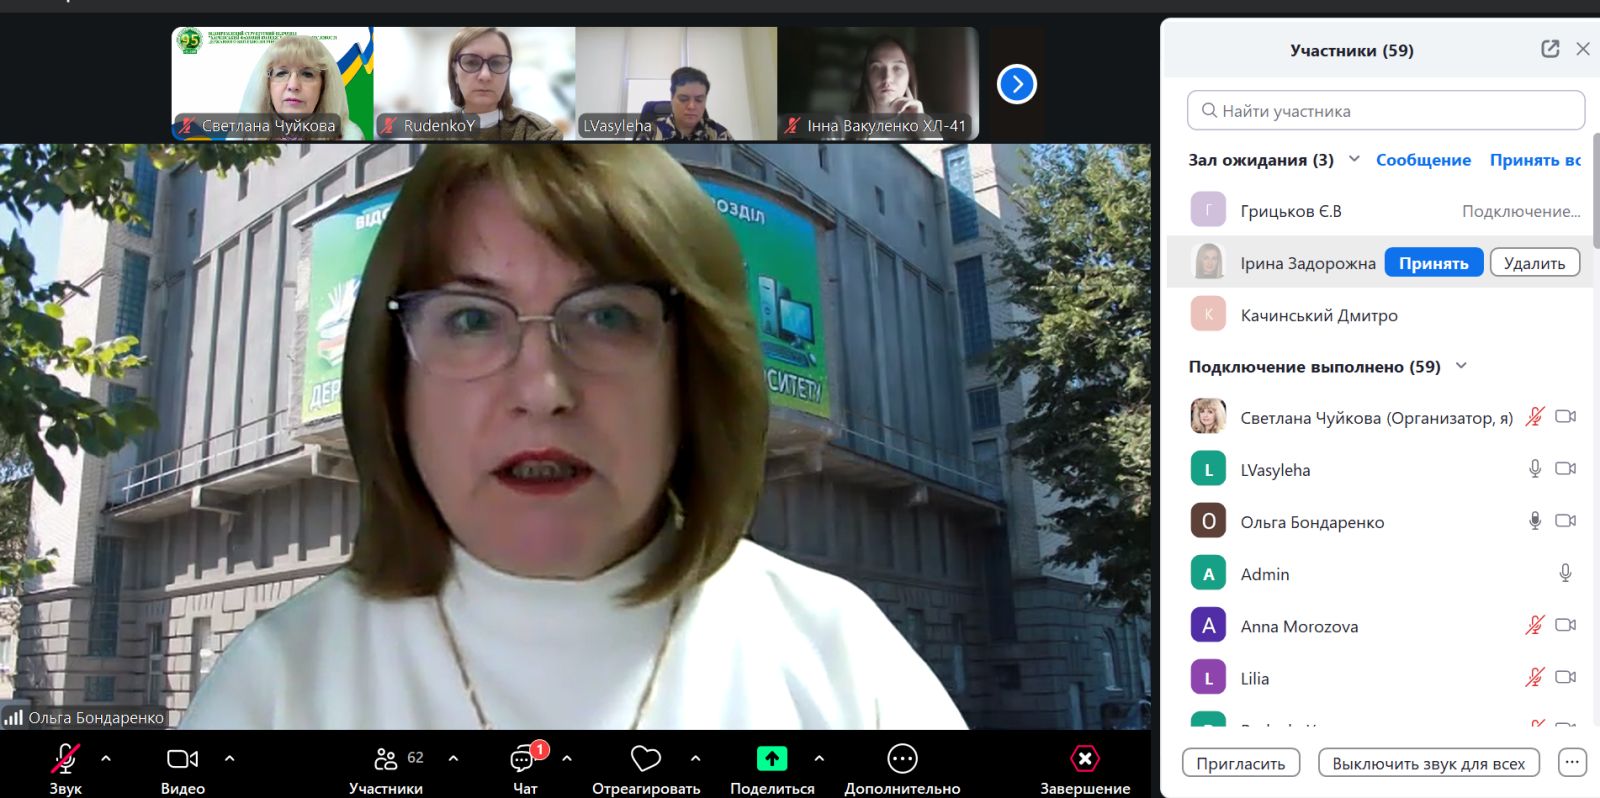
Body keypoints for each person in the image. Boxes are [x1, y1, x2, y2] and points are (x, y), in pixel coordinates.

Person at [180, 144, 967, 730]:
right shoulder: (279, 682)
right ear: (393, 385)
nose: (544, 391)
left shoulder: (837, 652)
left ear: (691, 374)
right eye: (470, 319)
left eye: (607, 316)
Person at [447, 27, 562, 142]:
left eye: (496, 63)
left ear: (508, 73)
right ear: (455, 73)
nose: (485, 75)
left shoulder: (540, 133)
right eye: (471, 62)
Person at [240, 35, 364, 141]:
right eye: (281, 73)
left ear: (324, 85)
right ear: (266, 84)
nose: (293, 86)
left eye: (307, 74)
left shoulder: (349, 138)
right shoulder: (244, 138)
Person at [845, 35, 938, 141]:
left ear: (909, 77)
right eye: (877, 68)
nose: (887, 78)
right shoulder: (842, 127)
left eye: (897, 68)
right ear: (867, 77)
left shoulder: (926, 124)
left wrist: (921, 125)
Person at [634, 67, 734, 141]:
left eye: (699, 100)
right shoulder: (650, 133)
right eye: (683, 99)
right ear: (672, 98)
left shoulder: (720, 134)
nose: (691, 106)